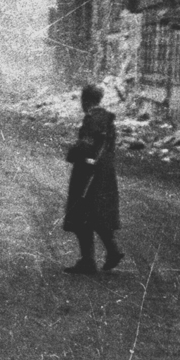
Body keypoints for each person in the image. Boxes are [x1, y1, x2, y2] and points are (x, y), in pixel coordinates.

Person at [63, 84, 123, 274]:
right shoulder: (107, 118)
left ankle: (88, 260)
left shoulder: (91, 119)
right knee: (98, 215)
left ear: (85, 100)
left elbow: (86, 145)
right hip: (104, 174)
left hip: (88, 173)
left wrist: (72, 152)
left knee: (81, 215)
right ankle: (113, 250)